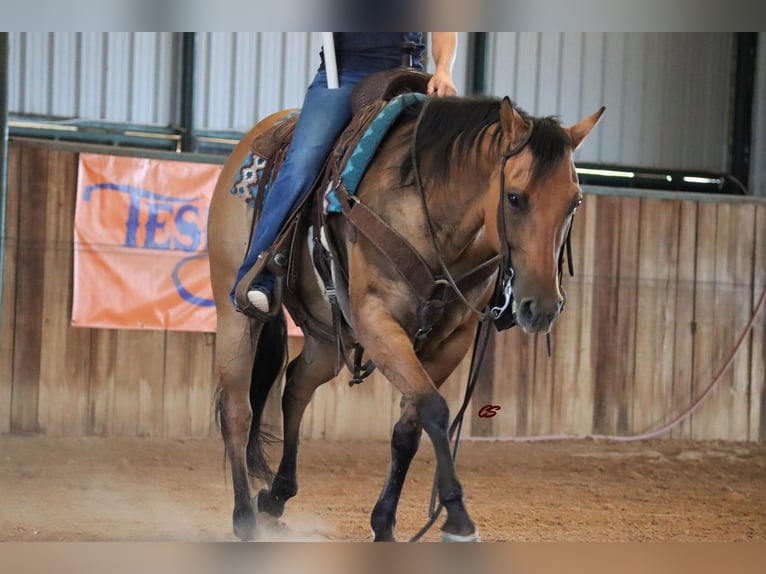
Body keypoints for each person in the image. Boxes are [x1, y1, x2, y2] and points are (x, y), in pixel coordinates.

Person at [232, 32, 458, 315]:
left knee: (453, 164)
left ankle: (490, 282)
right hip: (344, 76)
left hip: (411, 76)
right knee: (302, 164)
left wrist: (443, 70)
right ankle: (258, 273)